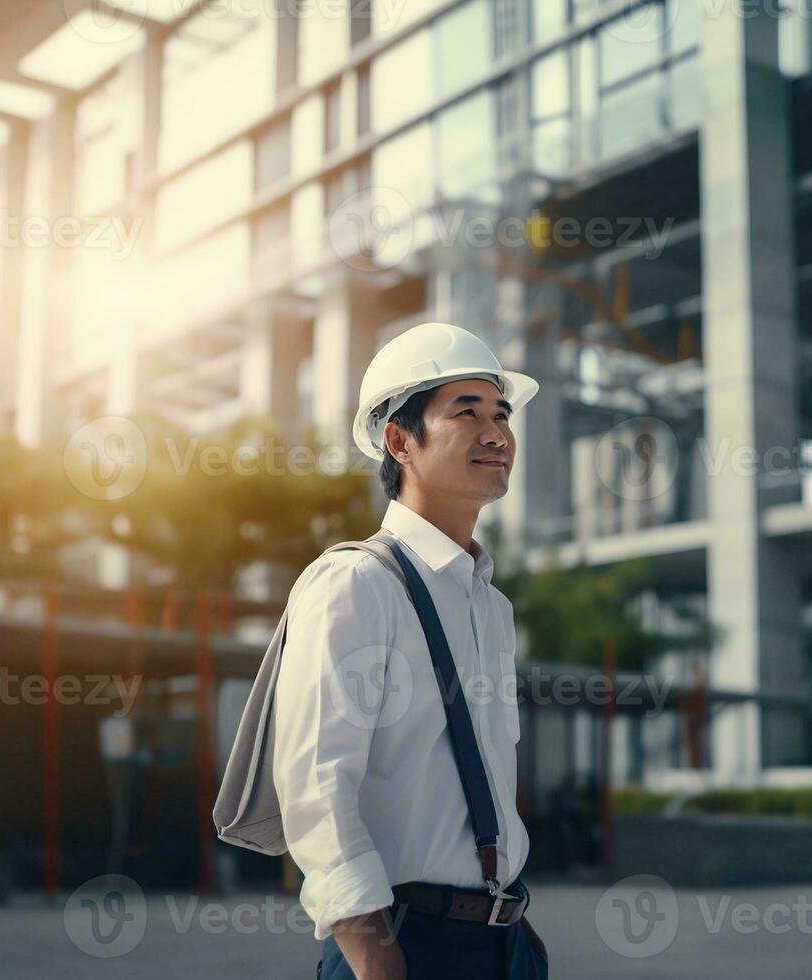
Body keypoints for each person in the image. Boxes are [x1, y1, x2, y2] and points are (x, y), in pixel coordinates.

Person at [273, 322, 547, 980]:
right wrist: (373, 956)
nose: (495, 433)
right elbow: (314, 784)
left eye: (501, 414)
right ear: (399, 440)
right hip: (402, 945)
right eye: (466, 412)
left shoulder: (490, 605)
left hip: (501, 945)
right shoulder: (358, 584)